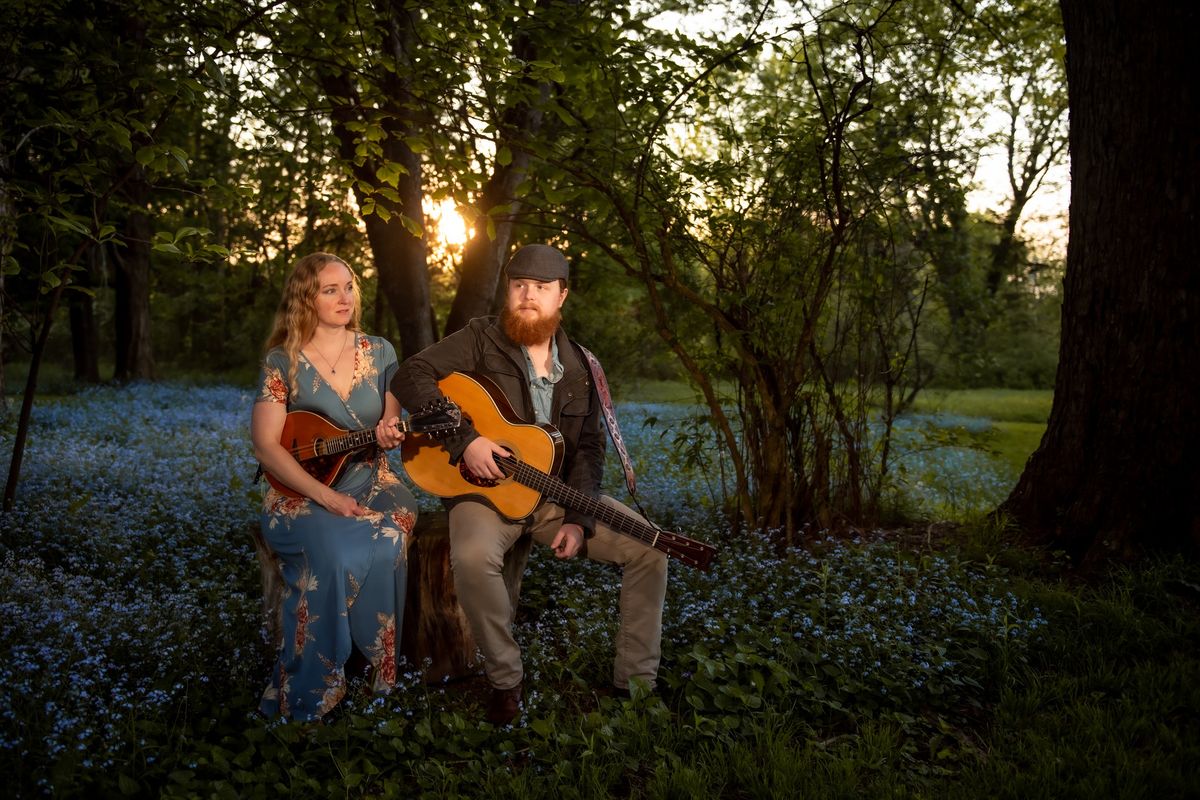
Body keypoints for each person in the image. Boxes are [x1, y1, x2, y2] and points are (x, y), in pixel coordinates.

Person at [391, 243, 668, 726]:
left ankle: (636, 684)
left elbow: (588, 450)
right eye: (519, 286)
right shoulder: (481, 338)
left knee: (651, 549)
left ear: (561, 296)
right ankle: (506, 679)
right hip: (485, 490)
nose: (527, 296)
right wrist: (466, 441)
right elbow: (410, 374)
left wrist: (580, 520)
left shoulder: (584, 367)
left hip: (555, 497)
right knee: (473, 558)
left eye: (540, 288)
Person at [250, 252, 417, 722]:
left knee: (389, 534)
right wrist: (326, 496)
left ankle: (377, 674)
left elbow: (390, 417)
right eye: (330, 290)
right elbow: (266, 446)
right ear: (307, 298)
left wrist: (389, 429)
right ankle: (317, 681)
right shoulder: (283, 361)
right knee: (337, 553)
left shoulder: (380, 351)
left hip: (374, 480)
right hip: (301, 492)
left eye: (349, 287)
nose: (345, 298)